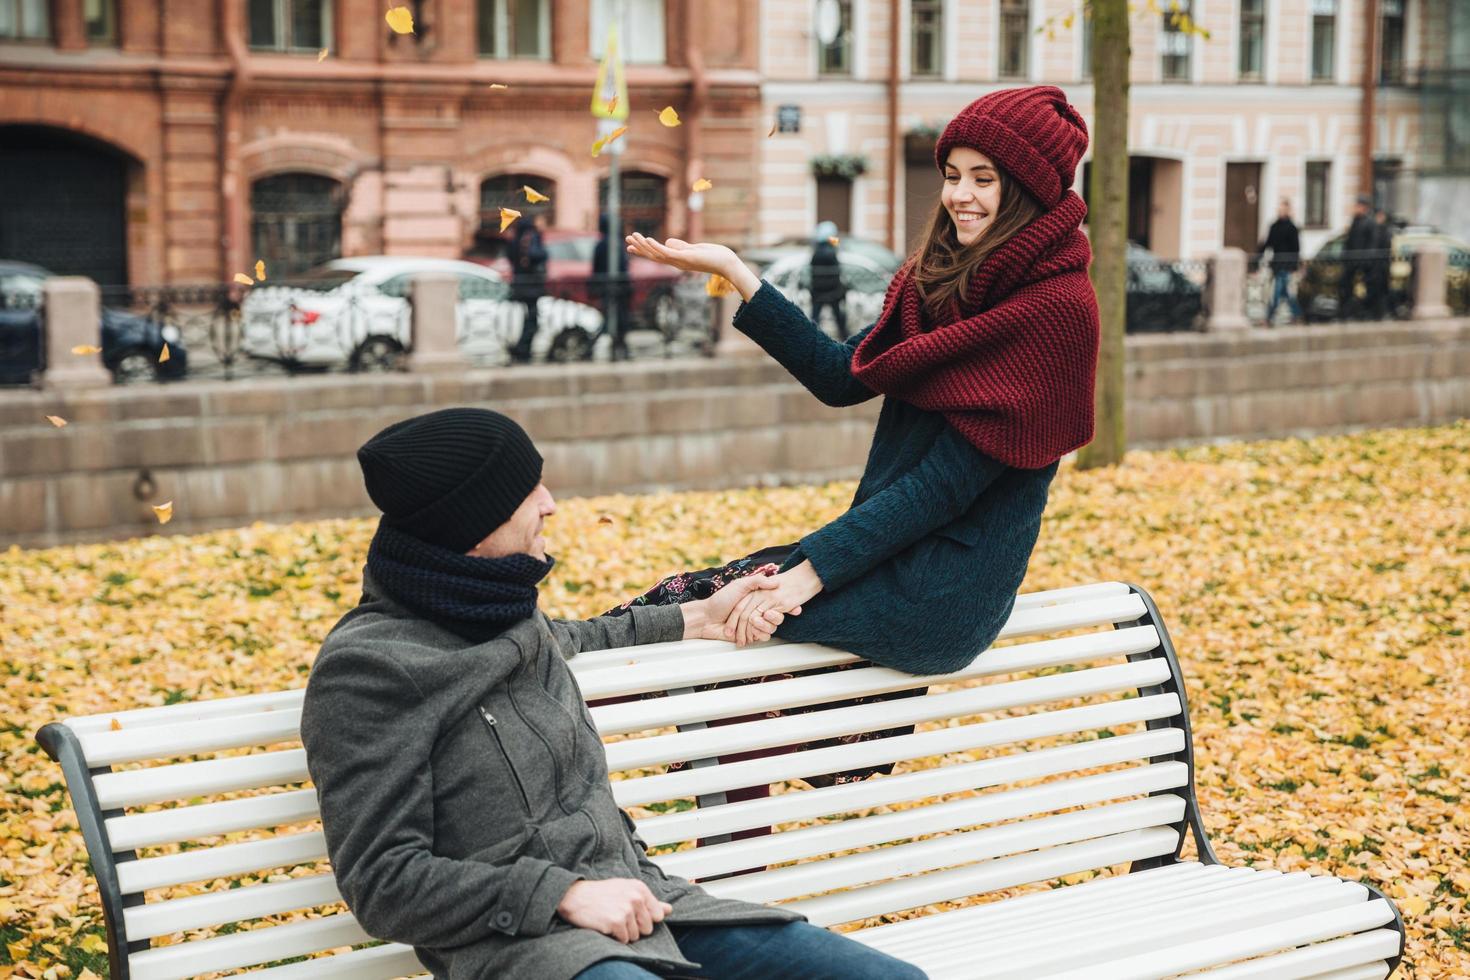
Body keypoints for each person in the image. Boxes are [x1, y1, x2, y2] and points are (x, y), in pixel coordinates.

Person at [300, 408, 925, 980]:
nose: (548, 503)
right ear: (470, 522)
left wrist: (699, 617)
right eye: (525, 492)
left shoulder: (502, 612)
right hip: (531, 947)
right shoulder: (370, 670)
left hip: (650, 908)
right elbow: (383, 882)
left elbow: (583, 634)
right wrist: (561, 895)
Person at [615, 86, 1098, 797]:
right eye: (953, 174)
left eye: (985, 179)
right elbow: (844, 376)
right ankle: (709, 804)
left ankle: (567, 710)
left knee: (699, 609)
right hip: (882, 556)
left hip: (941, 588)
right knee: (708, 641)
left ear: (1027, 190)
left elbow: (941, 490)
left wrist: (805, 576)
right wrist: (736, 273)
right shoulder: (942, 279)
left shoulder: (1054, 313)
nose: (961, 195)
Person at [507, 213, 549, 363]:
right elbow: (537, 254)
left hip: (520, 284)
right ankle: (523, 350)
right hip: (531, 286)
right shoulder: (532, 237)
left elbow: (511, 257)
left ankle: (520, 348)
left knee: (523, 319)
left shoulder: (516, 238)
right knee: (532, 320)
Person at [592, 213, 633, 361]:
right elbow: (624, 266)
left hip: (610, 288)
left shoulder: (602, 244)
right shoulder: (616, 243)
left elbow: (596, 268)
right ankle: (619, 347)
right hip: (618, 289)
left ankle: (615, 347)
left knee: (610, 318)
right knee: (617, 319)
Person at [1257, 198, 1303, 325]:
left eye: (1283, 209)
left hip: (1286, 265)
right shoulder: (1274, 226)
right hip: (1277, 264)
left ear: (1288, 210)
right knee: (1285, 293)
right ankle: (1297, 314)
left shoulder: (1292, 228)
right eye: (1280, 209)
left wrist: (1294, 265)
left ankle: (1269, 317)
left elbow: (1296, 248)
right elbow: (1268, 244)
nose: (1281, 211)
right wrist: (1258, 258)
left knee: (1277, 292)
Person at [808, 220, 848, 339]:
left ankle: (811, 336)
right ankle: (844, 335)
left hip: (818, 290)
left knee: (815, 317)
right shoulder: (831, 249)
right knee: (838, 317)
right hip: (833, 290)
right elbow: (840, 245)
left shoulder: (817, 250)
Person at [1339, 194, 1376, 320]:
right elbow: (1350, 241)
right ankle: (1348, 312)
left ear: (1364, 207)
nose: (1355, 208)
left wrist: (1366, 260)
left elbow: (1371, 243)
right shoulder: (1355, 221)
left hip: (1363, 262)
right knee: (1346, 286)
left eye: (1358, 206)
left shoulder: (1369, 223)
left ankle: (1365, 312)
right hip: (1351, 261)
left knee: (1365, 288)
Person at [1368, 206, 1394, 319]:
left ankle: (1381, 313)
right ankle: (1377, 313)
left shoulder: (1385, 231)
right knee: (1375, 292)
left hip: (1381, 268)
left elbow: (1384, 249)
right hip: (1376, 268)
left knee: (1381, 292)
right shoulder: (1377, 229)